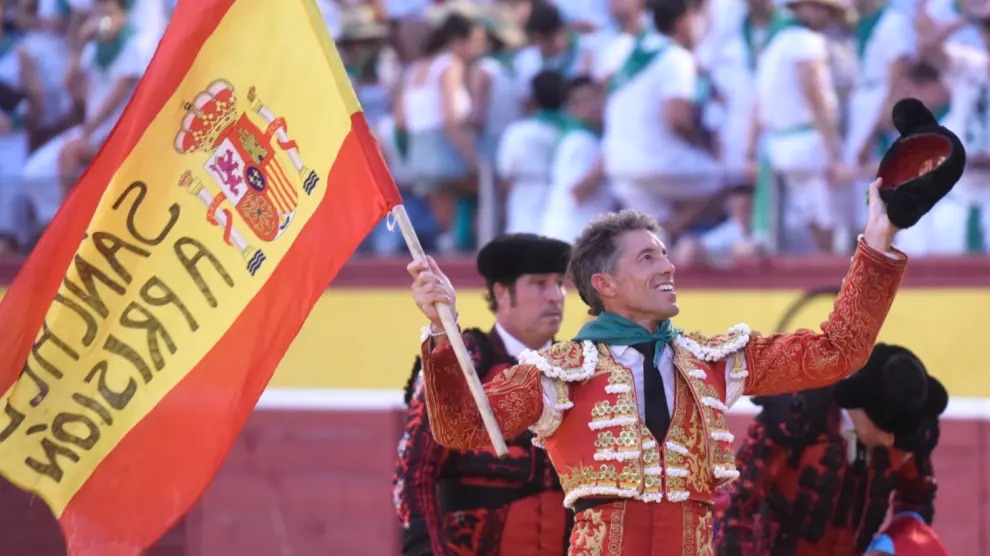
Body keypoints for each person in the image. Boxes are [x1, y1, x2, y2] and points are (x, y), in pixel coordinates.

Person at [408, 175, 905, 554]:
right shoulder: (559, 372)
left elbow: (838, 352)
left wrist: (877, 243)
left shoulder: (712, 361)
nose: (668, 266)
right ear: (605, 284)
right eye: (647, 258)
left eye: (664, 255)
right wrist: (441, 330)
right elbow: (460, 427)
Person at [393, 233, 574, 556]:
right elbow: (415, 472)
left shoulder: (576, 369)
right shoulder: (463, 364)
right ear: (502, 293)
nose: (555, 296)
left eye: (559, 283)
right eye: (539, 283)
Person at [714, 343, 948, 555]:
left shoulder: (905, 430)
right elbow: (736, 502)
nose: (890, 443)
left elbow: (917, 498)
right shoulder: (796, 416)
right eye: (884, 430)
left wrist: (889, 546)